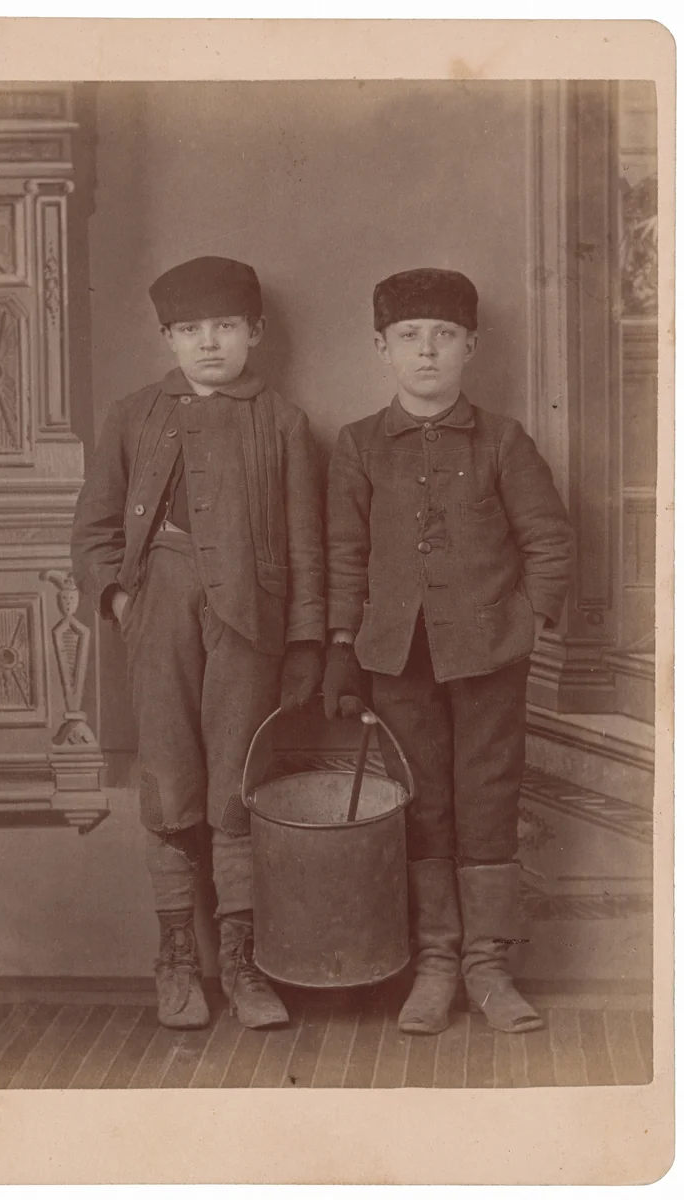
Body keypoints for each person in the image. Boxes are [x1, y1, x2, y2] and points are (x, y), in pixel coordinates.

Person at [71, 256, 325, 1030]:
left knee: (237, 784)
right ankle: (177, 959)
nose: (208, 343)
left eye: (224, 327)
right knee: (169, 779)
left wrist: (305, 641)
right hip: (158, 615)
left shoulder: (283, 421)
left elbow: (307, 545)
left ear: (255, 332)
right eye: (189, 330)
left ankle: (244, 963)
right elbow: (94, 529)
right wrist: (121, 599)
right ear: (168, 338)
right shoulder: (133, 415)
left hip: (250, 619)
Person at [323, 267, 573, 1036]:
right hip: (398, 663)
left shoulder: (503, 440)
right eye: (409, 337)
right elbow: (345, 555)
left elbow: (549, 539)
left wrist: (526, 620)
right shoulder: (360, 445)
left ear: (472, 345)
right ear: (382, 347)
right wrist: (343, 648)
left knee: (489, 801)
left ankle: (488, 969)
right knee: (423, 804)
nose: (426, 351)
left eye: (443, 336)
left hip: (490, 659)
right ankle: (435, 964)